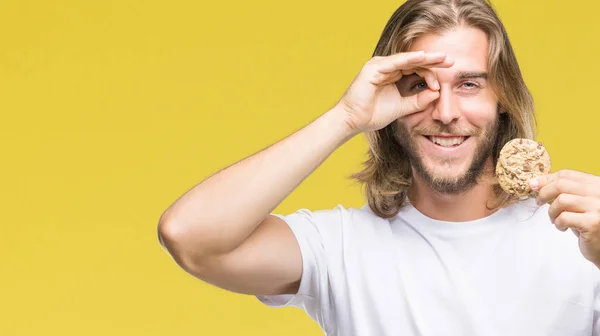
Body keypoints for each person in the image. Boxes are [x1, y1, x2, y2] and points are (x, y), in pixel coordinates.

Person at [157, 0, 600, 334]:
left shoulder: (583, 239)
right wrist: (346, 117)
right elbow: (190, 237)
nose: (445, 111)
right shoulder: (339, 250)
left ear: (501, 99)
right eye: (419, 86)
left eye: (468, 85)